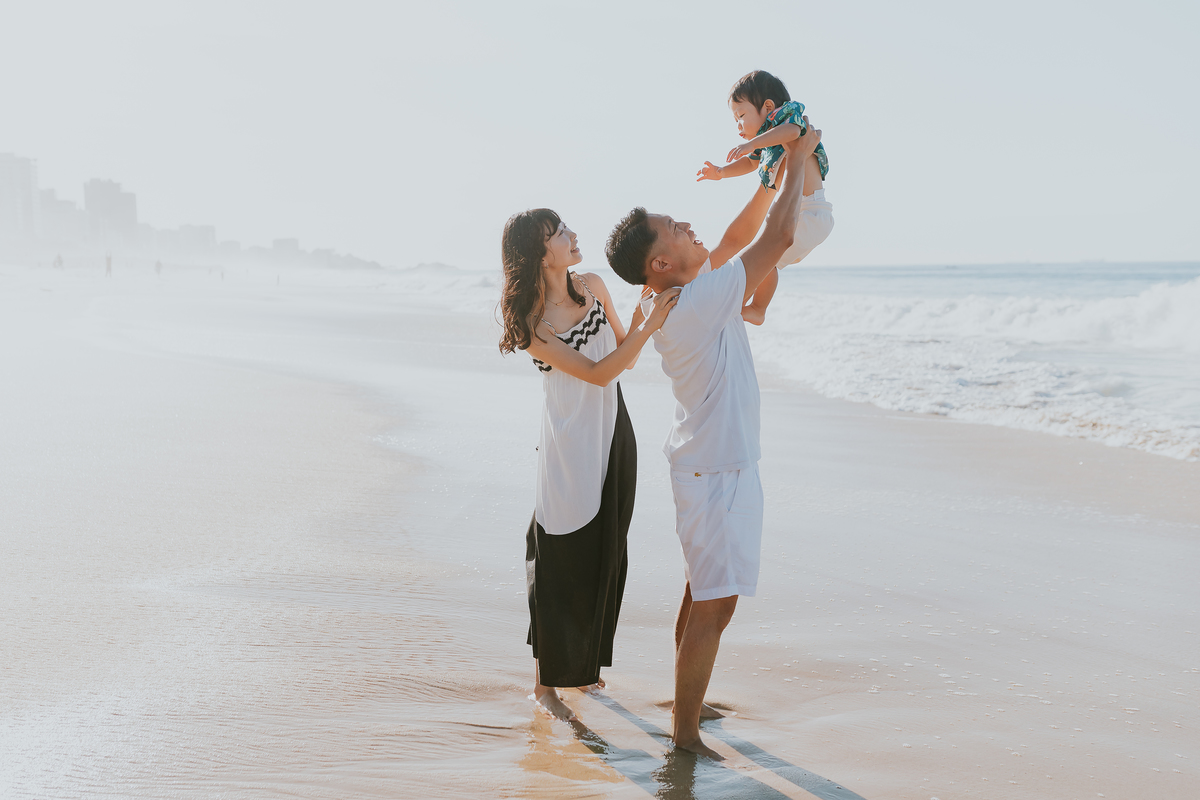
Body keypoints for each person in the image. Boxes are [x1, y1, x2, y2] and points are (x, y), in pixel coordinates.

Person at [605, 123, 820, 758]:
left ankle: (683, 708)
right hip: (715, 469)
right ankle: (686, 737)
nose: (688, 226)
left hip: (715, 464)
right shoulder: (693, 301)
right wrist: (799, 157)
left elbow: (735, 239)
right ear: (659, 262)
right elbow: (776, 239)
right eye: (675, 228)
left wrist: (773, 175)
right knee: (714, 603)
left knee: (708, 593)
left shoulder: (685, 293)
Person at [499, 209, 681, 721]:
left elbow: (625, 351)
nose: (572, 235)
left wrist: (649, 321)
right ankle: (545, 684)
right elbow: (599, 373)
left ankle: (582, 668)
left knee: (607, 549)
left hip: (612, 431)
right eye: (560, 233)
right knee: (559, 556)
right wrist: (649, 324)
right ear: (539, 252)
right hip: (567, 443)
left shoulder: (594, 285)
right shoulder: (532, 323)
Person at [697, 70, 834, 325]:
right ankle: (745, 304)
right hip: (799, 216)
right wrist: (721, 173)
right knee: (761, 258)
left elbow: (793, 131)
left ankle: (758, 308)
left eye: (741, 116)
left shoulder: (787, 120)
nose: (738, 126)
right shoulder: (768, 144)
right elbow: (749, 165)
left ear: (768, 107)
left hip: (811, 213)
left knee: (762, 258)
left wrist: (753, 144)